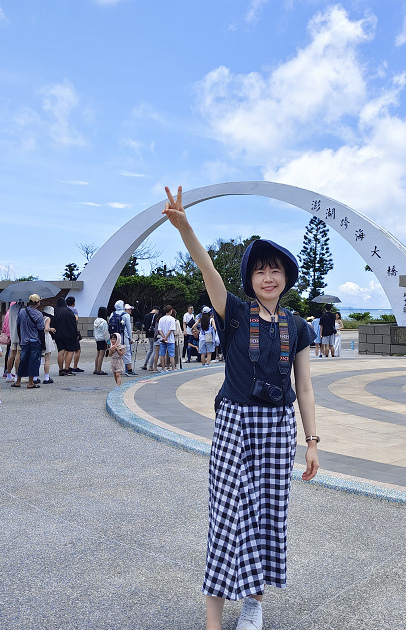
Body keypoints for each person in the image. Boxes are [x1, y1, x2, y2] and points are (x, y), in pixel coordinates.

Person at [162, 186, 319, 630]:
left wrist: (311, 441)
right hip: (235, 423)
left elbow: (304, 388)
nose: (268, 277)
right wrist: (186, 227)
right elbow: (207, 268)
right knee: (228, 512)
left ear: (286, 277)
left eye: (276, 271)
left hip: (278, 427)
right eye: (260, 271)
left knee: (268, 514)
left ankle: (253, 602)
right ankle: (214, 617)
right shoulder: (233, 312)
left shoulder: (298, 326)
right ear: (250, 278)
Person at [13, 294, 45, 389]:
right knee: (34, 362)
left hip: (24, 341)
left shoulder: (21, 311)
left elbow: (18, 326)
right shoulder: (39, 314)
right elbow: (40, 330)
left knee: (23, 361)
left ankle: (18, 381)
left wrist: (20, 338)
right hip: (35, 341)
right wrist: (43, 344)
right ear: (38, 302)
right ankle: (30, 382)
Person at [54, 296, 79, 376]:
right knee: (70, 351)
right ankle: (67, 369)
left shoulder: (55, 311)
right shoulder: (69, 311)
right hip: (69, 334)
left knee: (60, 352)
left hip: (58, 335)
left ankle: (60, 370)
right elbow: (74, 323)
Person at [157, 305, 178, 372]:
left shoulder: (161, 319)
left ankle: (163, 368)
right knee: (171, 355)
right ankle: (173, 368)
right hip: (170, 339)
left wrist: (163, 337)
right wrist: (166, 337)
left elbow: (159, 329)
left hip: (162, 339)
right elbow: (171, 330)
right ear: (170, 311)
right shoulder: (172, 319)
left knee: (162, 354)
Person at [4, 301, 20, 382]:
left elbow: (5, 324)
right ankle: (17, 375)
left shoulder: (10, 310)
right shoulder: (22, 309)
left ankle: (8, 374)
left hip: (12, 335)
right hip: (20, 335)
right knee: (18, 355)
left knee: (11, 355)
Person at [93, 306, 110, 375]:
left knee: (98, 354)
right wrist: (108, 342)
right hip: (102, 339)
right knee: (101, 355)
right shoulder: (104, 322)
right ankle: (99, 369)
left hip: (97, 339)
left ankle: (95, 369)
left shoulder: (96, 321)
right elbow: (105, 332)